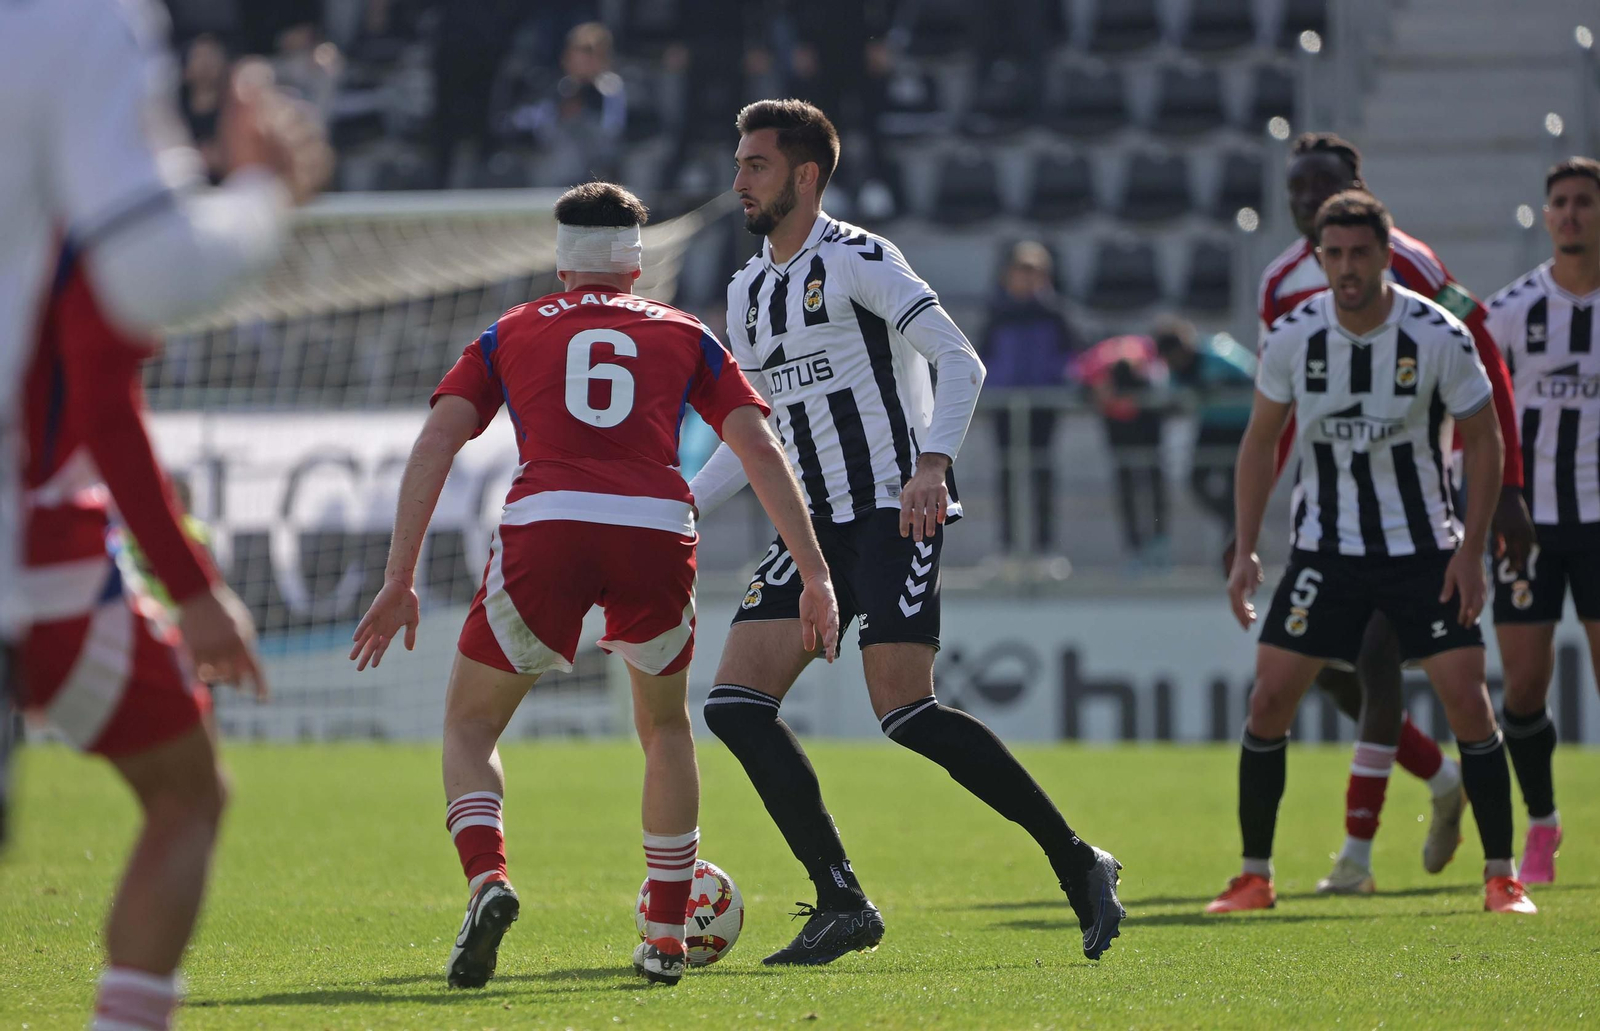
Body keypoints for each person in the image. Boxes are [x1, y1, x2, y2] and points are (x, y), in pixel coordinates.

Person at [349, 182, 840, 989]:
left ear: (562, 258)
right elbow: (758, 444)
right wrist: (814, 571)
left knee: (470, 726)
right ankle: (665, 936)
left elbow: (438, 436)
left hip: (548, 524)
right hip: (654, 526)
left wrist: (400, 574)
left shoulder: (508, 331)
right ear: (638, 260)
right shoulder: (685, 333)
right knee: (666, 729)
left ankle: (489, 881)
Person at [688, 99, 1124, 965]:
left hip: (894, 511)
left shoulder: (860, 260)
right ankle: (842, 899)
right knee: (735, 705)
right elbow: (756, 435)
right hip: (813, 530)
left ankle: (1077, 861)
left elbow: (962, 361)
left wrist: (931, 465)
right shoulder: (746, 294)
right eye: (738, 163)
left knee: (904, 710)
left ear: (806, 176)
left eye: (757, 165)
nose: (738, 180)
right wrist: (689, 503)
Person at [1, 2, 329, 1025]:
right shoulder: (73, 29)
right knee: (188, 790)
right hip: (31, 557)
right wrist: (264, 187)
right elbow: (133, 312)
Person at [1212, 191, 1535, 916]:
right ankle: (1254, 875)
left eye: (1361, 253)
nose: (1348, 267)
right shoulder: (1294, 333)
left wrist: (1471, 549)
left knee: (1468, 703)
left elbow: (1484, 439)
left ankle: (1502, 876)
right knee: (1268, 699)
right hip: (1325, 551)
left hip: (1425, 550)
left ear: (1387, 256)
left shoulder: (1437, 333)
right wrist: (1246, 550)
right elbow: (1261, 441)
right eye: (1335, 254)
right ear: (1320, 257)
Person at [1482, 157, 1600, 884]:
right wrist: (1495, 497)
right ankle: (1544, 824)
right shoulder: (1512, 310)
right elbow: (1476, 409)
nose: (1570, 214)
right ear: (1545, 214)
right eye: (1559, 202)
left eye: (1584, 202)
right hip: (1527, 524)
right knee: (1524, 686)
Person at [979, 240, 1083, 553]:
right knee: (1007, 475)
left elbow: (1072, 357)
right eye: (1021, 271)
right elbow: (982, 358)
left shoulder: (1057, 315)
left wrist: (1051, 381)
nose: (1027, 278)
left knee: (1042, 474)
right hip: (1005, 407)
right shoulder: (996, 314)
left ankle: (1044, 548)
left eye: (1035, 272)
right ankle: (1008, 548)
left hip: (1042, 406)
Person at [1154, 317, 1256, 537]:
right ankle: (1233, 524)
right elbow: (1176, 397)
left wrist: (1224, 388)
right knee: (1196, 480)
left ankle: (1237, 535)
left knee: (1234, 485)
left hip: (1239, 427)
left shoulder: (1217, 353)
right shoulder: (1176, 370)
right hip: (1210, 426)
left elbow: (1253, 374)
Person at [1078, 332, 1171, 567]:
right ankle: (1135, 548)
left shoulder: (1149, 363)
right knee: (1126, 484)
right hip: (1117, 429)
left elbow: (1166, 384)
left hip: (1147, 426)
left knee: (1154, 480)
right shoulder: (1095, 366)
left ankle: (1159, 543)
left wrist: (1139, 400)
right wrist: (1099, 395)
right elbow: (1077, 382)